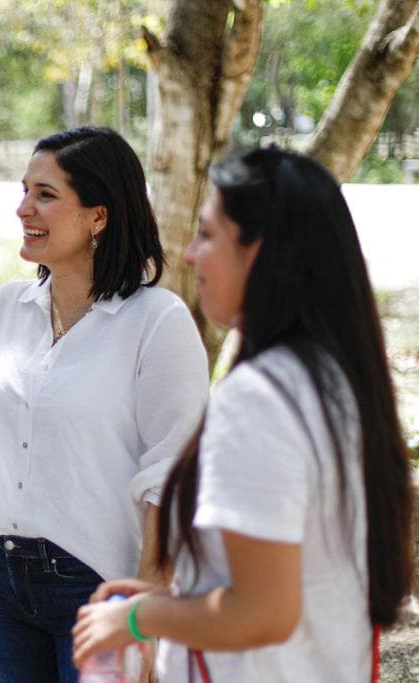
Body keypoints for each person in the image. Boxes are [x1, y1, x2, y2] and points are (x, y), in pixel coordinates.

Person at [71, 148, 413, 682]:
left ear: (263, 253)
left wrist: (138, 618)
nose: (189, 256)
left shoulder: (259, 400)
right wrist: (177, 597)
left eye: (208, 235)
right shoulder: (333, 379)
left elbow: (261, 613)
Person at [0, 126, 209, 682]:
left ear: (97, 217)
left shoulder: (157, 321)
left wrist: (146, 608)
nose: (23, 209)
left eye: (45, 194)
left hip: (98, 587)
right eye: (24, 190)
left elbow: (171, 475)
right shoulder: (2, 310)